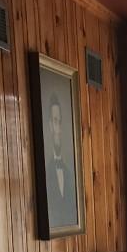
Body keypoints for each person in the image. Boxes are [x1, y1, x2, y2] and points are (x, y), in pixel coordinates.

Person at [45, 90, 77, 230]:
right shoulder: (46, 173)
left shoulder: (70, 174)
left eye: (60, 122)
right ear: (50, 126)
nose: (58, 128)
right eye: (55, 122)